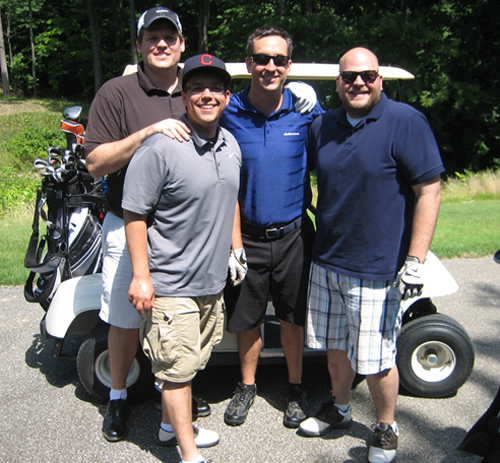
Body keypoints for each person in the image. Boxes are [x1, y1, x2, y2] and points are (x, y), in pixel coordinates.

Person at [297, 47, 444, 463]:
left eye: (367, 75)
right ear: (338, 83)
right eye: (349, 77)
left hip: (377, 266)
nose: (358, 82)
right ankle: (340, 408)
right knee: (335, 348)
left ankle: (385, 426)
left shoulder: (405, 121)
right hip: (327, 259)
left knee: (377, 358)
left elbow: (429, 190)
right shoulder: (323, 125)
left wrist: (415, 259)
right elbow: (304, 170)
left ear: (379, 79)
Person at [84, 7, 209, 443]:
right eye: (152, 37)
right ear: (138, 45)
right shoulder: (117, 92)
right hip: (127, 222)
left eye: (169, 37)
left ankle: (171, 391)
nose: (161, 44)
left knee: (180, 315)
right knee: (124, 316)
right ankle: (118, 396)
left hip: (185, 231)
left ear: (181, 44)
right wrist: (149, 132)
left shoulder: (197, 88)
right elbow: (96, 162)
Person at [122, 54, 241, 463]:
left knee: (191, 364)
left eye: (215, 88)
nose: (206, 95)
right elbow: (134, 212)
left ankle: (171, 426)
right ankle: (189, 455)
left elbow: (231, 196)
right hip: (172, 283)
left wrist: (236, 247)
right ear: (184, 95)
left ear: (227, 96)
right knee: (176, 372)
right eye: (196, 88)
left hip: (211, 283)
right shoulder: (161, 148)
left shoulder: (231, 143)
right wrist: (141, 276)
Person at [220, 26, 324, 428]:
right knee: (246, 318)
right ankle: (248, 385)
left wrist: (315, 99)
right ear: (249, 64)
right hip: (244, 238)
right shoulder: (228, 109)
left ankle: (296, 387)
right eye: (261, 59)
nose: (269, 66)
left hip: (294, 235)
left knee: (292, 316)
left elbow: (339, 146)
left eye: (278, 60)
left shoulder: (305, 111)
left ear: (289, 66)